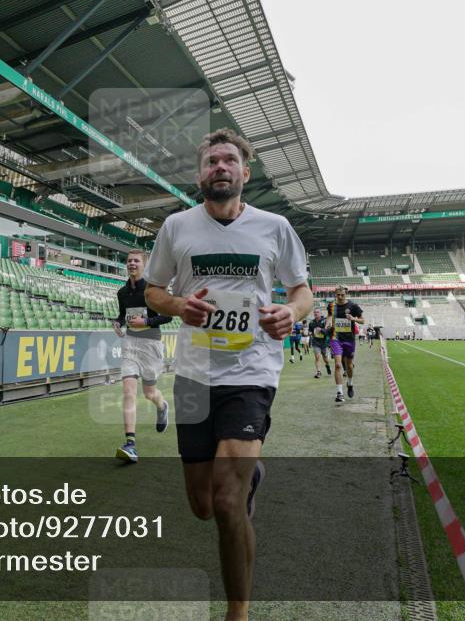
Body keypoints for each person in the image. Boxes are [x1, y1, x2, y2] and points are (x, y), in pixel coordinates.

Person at [143, 129, 312, 621]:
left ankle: (237, 610)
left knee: (225, 500)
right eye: (212, 161)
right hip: (194, 375)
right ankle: (251, 474)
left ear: (244, 172)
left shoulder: (274, 227)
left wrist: (292, 314)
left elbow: (302, 291)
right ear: (200, 174)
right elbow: (153, 290)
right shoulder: (176, 227)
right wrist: (178, 305)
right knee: (201, 504)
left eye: (229, 160)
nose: (220, 166)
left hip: (251, 372)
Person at [111, 249, 172, 463]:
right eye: (129, 261)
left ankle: (162, 406)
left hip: (151, 344)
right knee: (128, 390)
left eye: (136, 261)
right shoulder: (122, 292)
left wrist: (146, 322)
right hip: (130, 343)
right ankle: (130, 444)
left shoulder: (153, 290)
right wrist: (118, 322)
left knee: (149, 393)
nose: (132, 264)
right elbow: (122, 313)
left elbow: (167, 316)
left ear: (144, 265)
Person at [326, 285, 365, 402]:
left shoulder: (353, 306)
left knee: (349, 365)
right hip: (335, 338)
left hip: (349, 339)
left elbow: (363, 320)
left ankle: (350, 383)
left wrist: (353, 319)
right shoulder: (332, 305)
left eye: (342, 295)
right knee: (338, 365)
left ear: (346, 294)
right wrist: (327, 323)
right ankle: (339, 393)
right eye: (338, 295)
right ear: (335, 294)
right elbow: (329, 316)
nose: (340, 297)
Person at [308, 308, 331, 379]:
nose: (316, 313)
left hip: (324, 343)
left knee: (325, 359)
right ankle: (318, 372)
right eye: (314, 312)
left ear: (321, 313)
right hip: (315, 342)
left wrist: (321, 330)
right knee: (317, 357)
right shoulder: (311, 322)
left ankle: (327, 366)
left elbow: (328, 331)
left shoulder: (325, 321)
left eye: (317, 312)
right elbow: (310, 331)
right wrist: (310, 333)